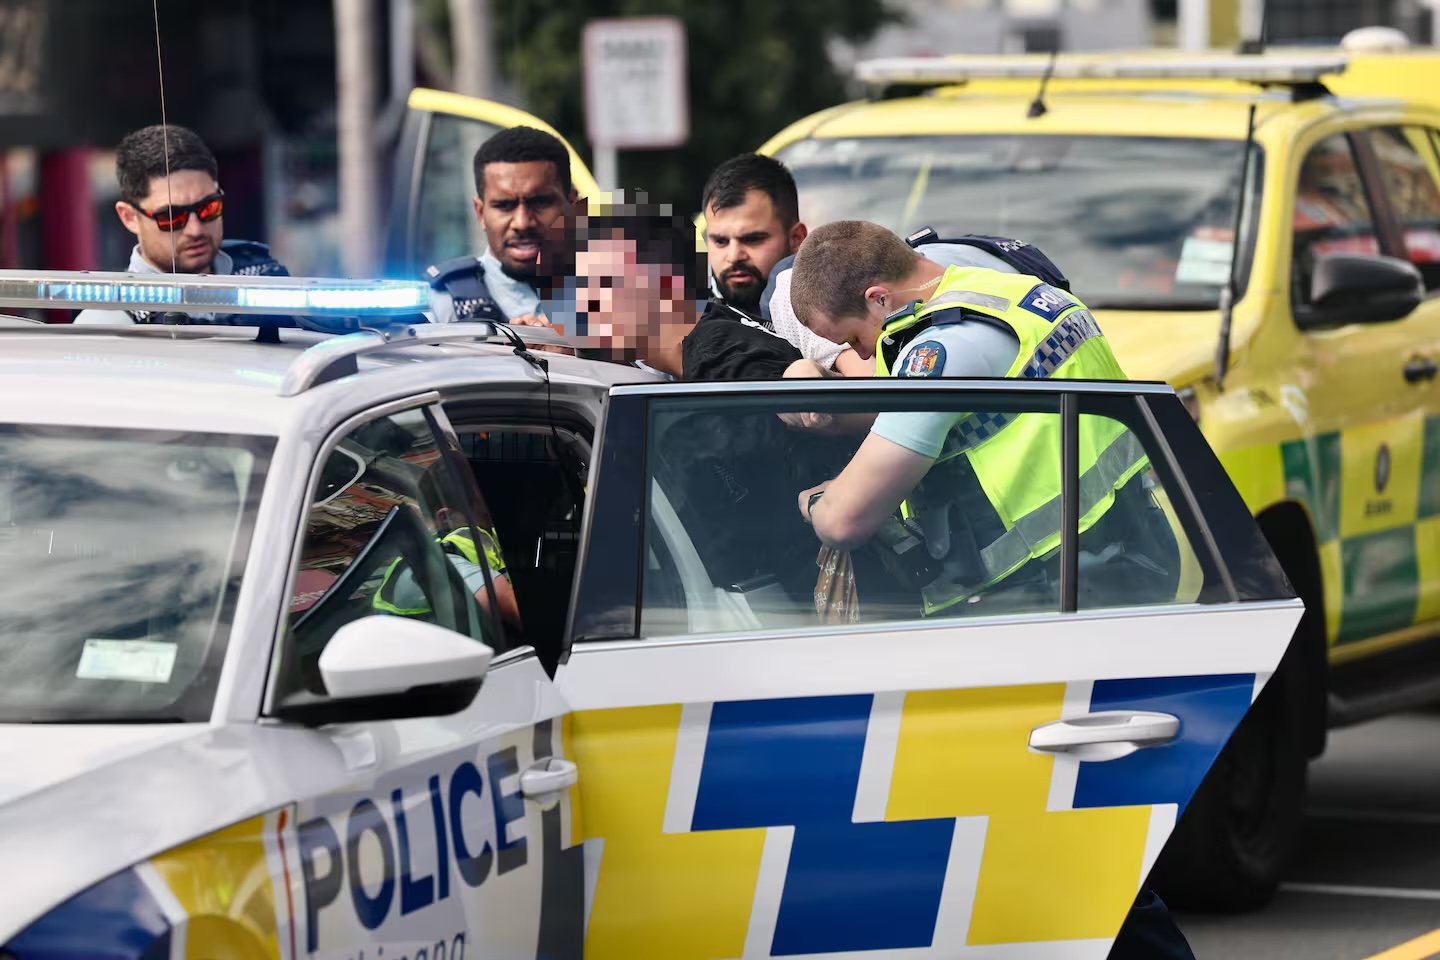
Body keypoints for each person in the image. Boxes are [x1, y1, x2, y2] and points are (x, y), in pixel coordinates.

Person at [787, 220, 1179, 615]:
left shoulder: (942, 351)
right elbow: (957, 415)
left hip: (1048, 592)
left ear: (878, 299)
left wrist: (816, 503)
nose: (864, 354)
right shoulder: (1016, 290)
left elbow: (844, 521)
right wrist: (819, 391)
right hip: (1132, 549)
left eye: (853, 338)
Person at [74, 124, 290, 325]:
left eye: (208, 208)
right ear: (129, 217)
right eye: (172, 218)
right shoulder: (107, 324)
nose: (195, 230)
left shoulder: (263, 280)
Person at [682, 153, 872, 381]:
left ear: (796, 238)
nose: (733, 256)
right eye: (720, 241)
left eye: (753, 239)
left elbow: (871, 394)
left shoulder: (812, 292)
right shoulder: (676, 305)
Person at [426, 126, 582, 328]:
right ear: (481, 213)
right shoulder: (439, 306)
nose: (522, 222)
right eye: (504, 206)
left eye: (540, 202)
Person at [372, 505, 524, 635]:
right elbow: (507, 604)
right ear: (446, 517)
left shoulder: (483, 538)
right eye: (482, 507)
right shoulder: (427, 564)